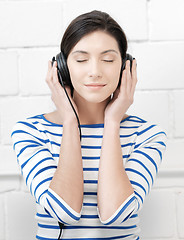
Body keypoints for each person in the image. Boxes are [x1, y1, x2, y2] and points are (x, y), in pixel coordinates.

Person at [11, 10, 167, 240]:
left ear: (125, 68)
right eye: (82, 59)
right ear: (62, 67)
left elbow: (117, 214)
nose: (95, 72)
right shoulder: (30, 132)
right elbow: (63, 211)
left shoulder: (147, 135)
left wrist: (112, 122)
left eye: (108, 60)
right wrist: (70, 122)